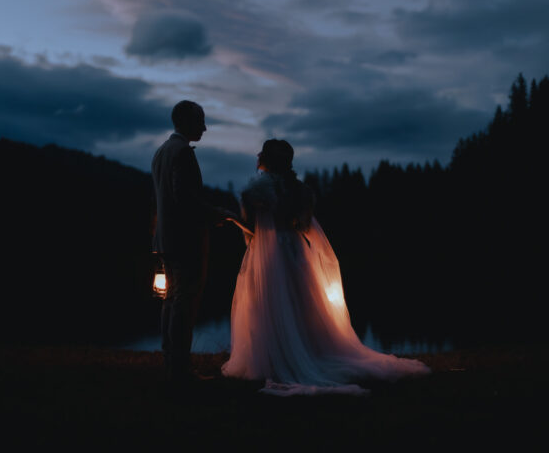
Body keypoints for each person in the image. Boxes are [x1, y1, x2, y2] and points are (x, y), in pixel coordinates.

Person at [221, 139, 431, 396]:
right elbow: (305, 226)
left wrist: (232, 218)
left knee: (270, 305)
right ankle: (310, 352)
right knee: (302, 306)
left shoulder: (255, 193)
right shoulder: (301, 191)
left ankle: (275, 359)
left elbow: (254, 230)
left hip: (269, 256)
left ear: (266, 159)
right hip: (296, 253)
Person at [151, 100, 231, 387]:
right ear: (185, 121)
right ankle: (180, 370)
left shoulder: (161, 151)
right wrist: (218, 214)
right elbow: (184, 199)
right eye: (200, 121)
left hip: (165, 238)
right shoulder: (182, 152)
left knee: (172, 301)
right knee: (184, 303)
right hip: (184, 240)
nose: (205, 128)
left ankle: (171, 363)